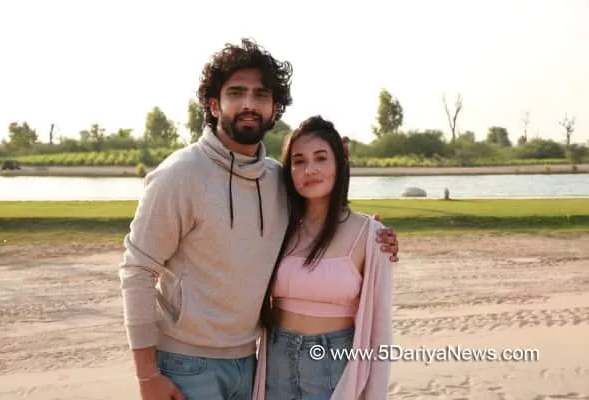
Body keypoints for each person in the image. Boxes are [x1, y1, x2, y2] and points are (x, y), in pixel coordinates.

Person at [118, 38, 399, 400]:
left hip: (252, 363)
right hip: (186, 365)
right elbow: (137, 270)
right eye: (236, 92)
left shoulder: (278, 180)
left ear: (274, 108)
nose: (249, 103)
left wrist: (377, 237)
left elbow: (321, 218)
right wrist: (146, 375)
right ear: (214, 104)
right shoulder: (180, 174)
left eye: (261, 94)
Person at [252, 116, 393, 399]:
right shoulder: (277, 228)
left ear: (339, 164)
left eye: (320, 158)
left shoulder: (371, 235)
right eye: (299, 161)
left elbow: (380, 330)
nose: (310, 170)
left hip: (333, 363)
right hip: (276, 360)